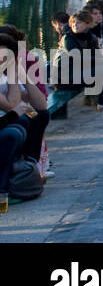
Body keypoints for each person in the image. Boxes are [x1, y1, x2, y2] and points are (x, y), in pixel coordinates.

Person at [0, 33, 50, 179]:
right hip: (6, 118)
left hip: (13, 113)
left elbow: (41, 105)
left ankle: (30, 164)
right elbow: (11, 105)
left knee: (40, 115)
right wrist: (13, 77)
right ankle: (22, 169)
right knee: (23, 120)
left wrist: (23, 75)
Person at [60, 11, 103, 110]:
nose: (75, 25)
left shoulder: (90, 37)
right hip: (67, 76)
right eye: (73, 22)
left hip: (80, 71)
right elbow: (78, 58)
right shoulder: (68, 38)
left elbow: (97, 56)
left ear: (88, 24)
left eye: (79, 22)